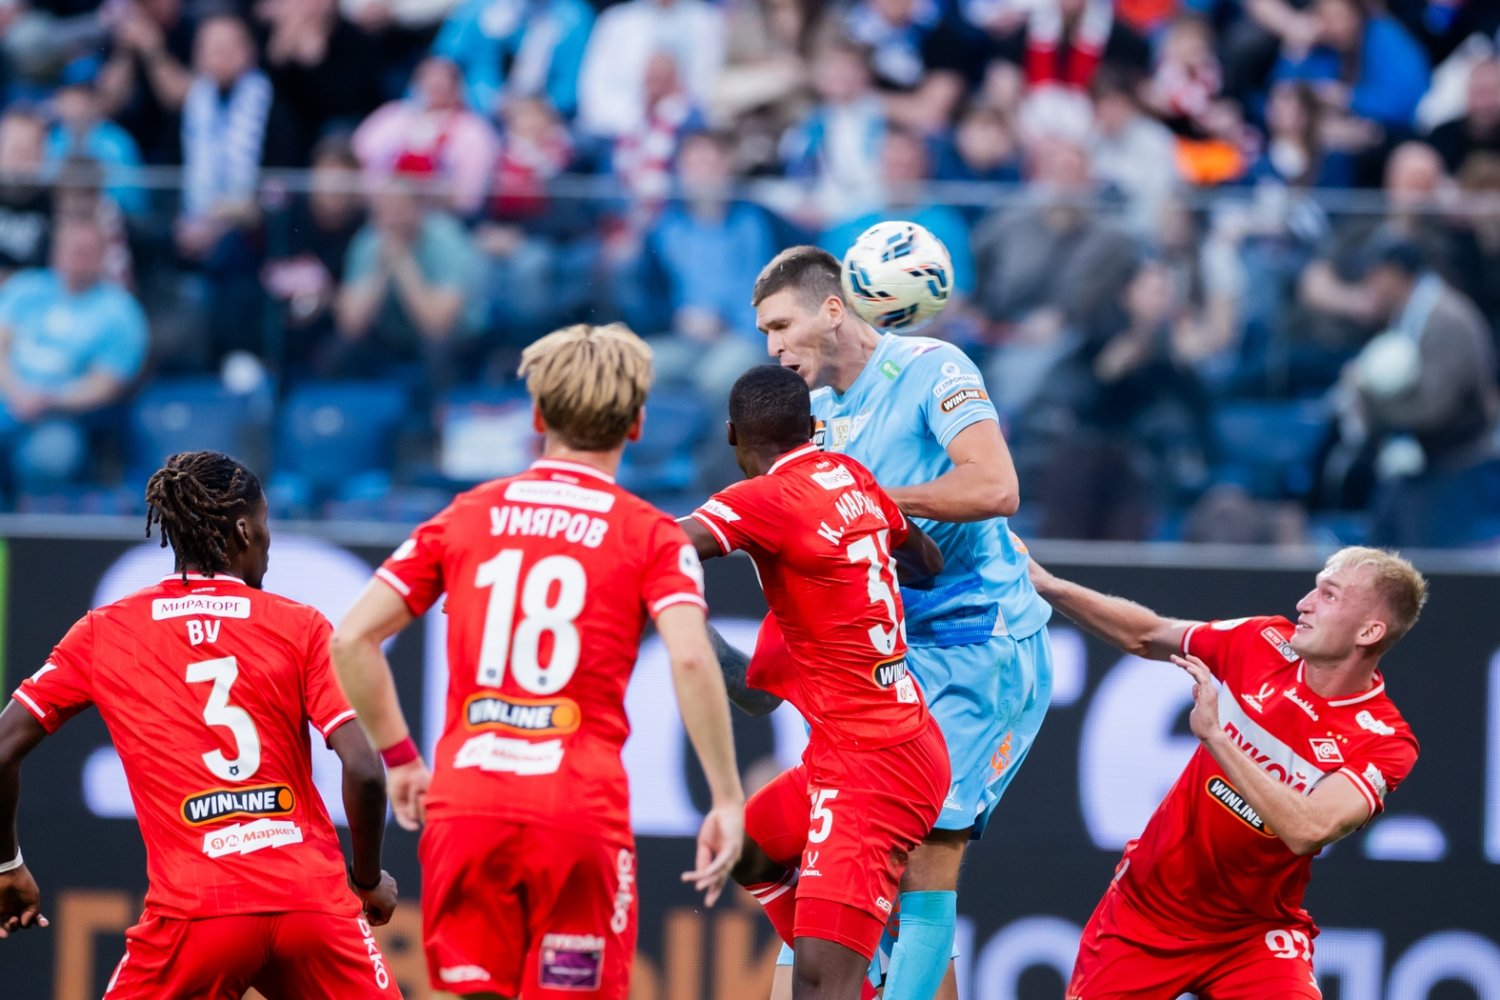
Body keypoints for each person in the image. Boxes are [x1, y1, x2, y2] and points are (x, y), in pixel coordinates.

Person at [330, 323, 745, 1000]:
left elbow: (351, 639)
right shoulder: (651, 534)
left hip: (468, 803)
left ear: (537, 417)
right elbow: (693, 660)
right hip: (576, 810)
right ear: (637, 424)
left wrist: (402, 759)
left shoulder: (466, 515)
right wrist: (726, 798)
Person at [750, 247, 1054, 1000]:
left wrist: (875, 497)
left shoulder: (932, 367)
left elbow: (997, 486)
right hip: (892, 658)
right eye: (763, 333)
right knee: (824, 858)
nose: (772, 348)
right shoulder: (817, 413)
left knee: (923, 864)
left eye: (781, 326)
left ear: (832, 309)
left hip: (979, 643)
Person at [0, 450, 401, 997]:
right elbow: (365, 769)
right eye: (265, 525)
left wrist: (8, 864)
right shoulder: (300, 625)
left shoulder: (104, 632)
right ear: (243, 530)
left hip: (197, 913)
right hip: (311, 906)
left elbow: (3, 749)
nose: (268, 542)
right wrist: (368, 879)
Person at [1028, 546, 1426, 998]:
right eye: (1315, 589)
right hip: (1144, 912)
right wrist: (1048, 585)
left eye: (1329, 595)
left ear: (1369, 631)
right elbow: (1147, 634)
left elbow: (1309, 829)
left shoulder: (1384, 740)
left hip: (1253, 936)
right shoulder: (1261, 641)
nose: (1304, 603)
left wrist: (1218, 738)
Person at [680, 365, 949, 999]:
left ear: (732, 435)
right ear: (813, 426)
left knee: (816, 988)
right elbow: (926, 562)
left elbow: (662, 546)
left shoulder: (762, 498)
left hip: (869, 770)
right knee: (746, 849)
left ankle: (841, 978)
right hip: (885, 739)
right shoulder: (852, 475)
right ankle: (854, 980)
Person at [0, 217, 147, 495]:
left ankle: (34, 520)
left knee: (49, 459)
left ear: (102, 256)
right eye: (70, 249)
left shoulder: (120, 311)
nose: (76, 257)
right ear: (55, 250)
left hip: (64, 415)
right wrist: (17, 392)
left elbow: (107, 383)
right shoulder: (26, 288)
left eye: (85, 251)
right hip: (8, 399)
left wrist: (48, 399)